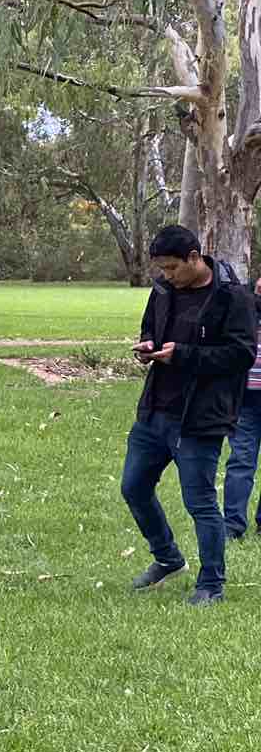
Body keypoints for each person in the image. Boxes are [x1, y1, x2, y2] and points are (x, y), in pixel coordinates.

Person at [123, 225, 257, 605]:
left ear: (194, 258)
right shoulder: (164, 290)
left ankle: (211, 584)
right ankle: (168, 559)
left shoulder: (232, 297)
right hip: (155, 410)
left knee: (199, 502)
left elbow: (241, 354)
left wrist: (182, 355)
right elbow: (150, 326)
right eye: (161, 269)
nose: (167, 276)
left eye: (172, 267)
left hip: (200, 417)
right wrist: (148, 344)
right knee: (134, 487)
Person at [221, 275, 261, 540]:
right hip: (245, 398)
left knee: (241, 461)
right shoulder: (244, 309)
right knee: (241, 460)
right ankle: (233, 526)